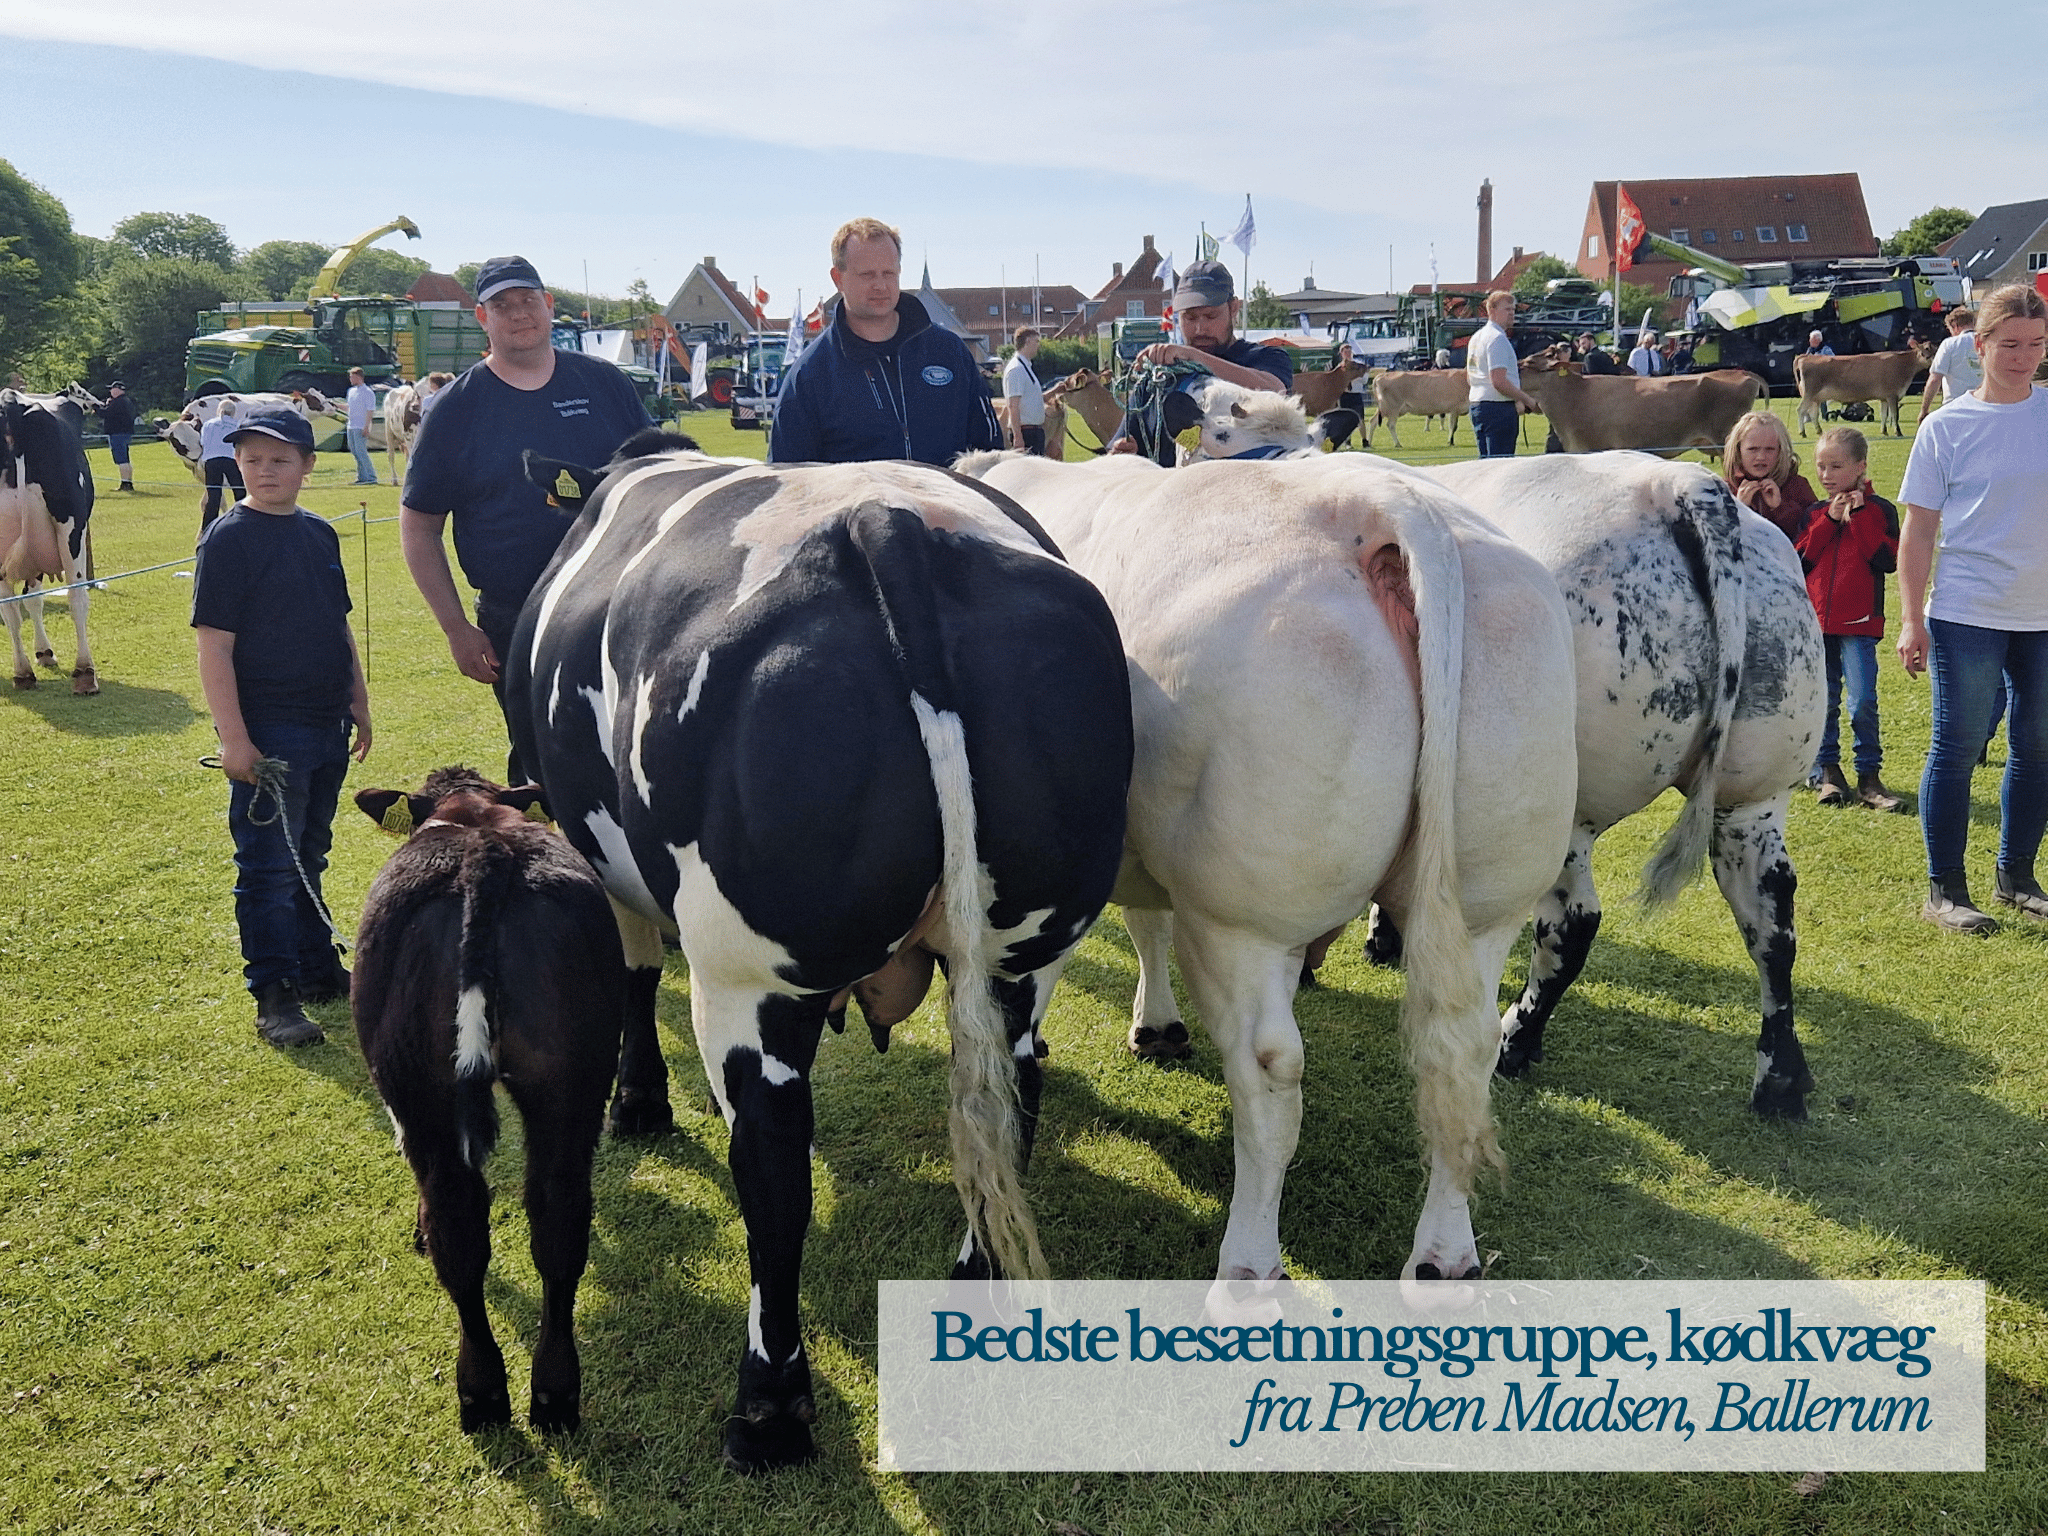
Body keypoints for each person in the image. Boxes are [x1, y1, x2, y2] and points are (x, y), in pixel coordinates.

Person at [401, 255, 650, 779]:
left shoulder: (605, 384)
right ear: (481, 318)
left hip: (621, 604)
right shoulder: (455, 408)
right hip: (520, 617)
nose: (518, 314)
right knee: (545, 762)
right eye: (502, 305)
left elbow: (658, 476)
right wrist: (456, 629)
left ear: (549, 306)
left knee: (634, 752)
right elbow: (420, 525)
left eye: (528, 300)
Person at [191, 410, 372, 1047]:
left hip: (326, 723)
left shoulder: (320, 534)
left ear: (307, 465)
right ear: (236, 463)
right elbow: (214, 646)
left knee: (310, 852)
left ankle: (318, 969)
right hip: (270, 730)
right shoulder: (228, 538)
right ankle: (274, 994)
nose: (265, 471)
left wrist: (359, 700)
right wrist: (234, 739)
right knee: (267, 865)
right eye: (252, 459)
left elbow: (338, 625)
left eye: (280, 460)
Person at [1895, 283, 2048, 934]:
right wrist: (1910, 618)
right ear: (1977, 345)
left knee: (2037, 750)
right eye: (2010, 345)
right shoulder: (1946, 426)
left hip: (2042, 614)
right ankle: (1946, 891)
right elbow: (1918, 531)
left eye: (2037, 345)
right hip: (1966, 612)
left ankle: (2016, 877)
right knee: (1956, 749)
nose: (2023, 358)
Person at [768, 218, 1000, 465]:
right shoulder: (811, 374)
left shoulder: (950, 353)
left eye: (888, 273)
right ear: (838, 278)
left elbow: (989, 454)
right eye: (867, 275)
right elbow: (787, 476)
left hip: (949, 502)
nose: (880, 285)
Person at [1795, 425, 1903, 811]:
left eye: (1836, 466)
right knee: (1823, 700)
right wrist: (1829, 521)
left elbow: (1886, 560)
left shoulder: (1881, 510)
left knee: (1862, 702)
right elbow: (1802, 560)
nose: (1826, 475)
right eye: (1821, 466)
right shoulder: (1813, 513)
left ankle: (1869, 777)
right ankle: (1828, 773)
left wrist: (1857, 518)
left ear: (1860, 467)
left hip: (1859, 624)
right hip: (1817, 626)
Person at [1721, 410, 1818, 541]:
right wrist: (1739, 508)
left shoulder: (1797, 486)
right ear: (1738, 450)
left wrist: (1780, 508)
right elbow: (1717, 540)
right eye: (1752, 449)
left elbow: (1814, 534)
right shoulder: (1724, 490)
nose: (1761, 457)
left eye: (1770, 449)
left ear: (1780, 450)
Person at [1465, 290, 1536, 459]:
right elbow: (1498, 381)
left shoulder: (1476, 337)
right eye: (1507, 309)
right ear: (1492, 310)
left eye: (1513, 309)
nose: (1512, 313)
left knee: (1486, 464)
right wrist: (1527, 400)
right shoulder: (1497, 339)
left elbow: (1470, 376)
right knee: (1500, 464)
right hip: (1497, 408)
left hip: (1478, 404)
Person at [1920, 308, 1982, 418]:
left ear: (1955, 326)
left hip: (1956, 407)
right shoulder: (1987, 342)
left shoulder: (1949, 344)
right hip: (1983, 404)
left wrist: (1924, 410)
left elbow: (1935, 379)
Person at [198, 399, 245, 534]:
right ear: (233, 413)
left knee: (214, 495)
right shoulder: (237, 425)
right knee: (239, 491)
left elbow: (203, 442)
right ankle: (241, 519)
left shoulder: (207, 425)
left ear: (219, 410)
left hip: (211, 460)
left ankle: (207, 528)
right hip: (230, 459)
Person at [1002, 327, 1048, 456]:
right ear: (1027, 341)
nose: (1038, 345)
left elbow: (1032, 399)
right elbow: (1013, 405)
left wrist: (1057, 390)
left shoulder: (1025, 367)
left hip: (1034, 432)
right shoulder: (1016, 370)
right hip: (1026, 433)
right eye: (1036, 341)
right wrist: (1018, 437)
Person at [96, 381, 138, 492]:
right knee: (125, 460)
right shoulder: (126, 401)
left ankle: (125, 484)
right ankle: (128, 482)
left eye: (112, 389)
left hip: (117, 434)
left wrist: (96, 407)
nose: (110, 391)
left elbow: (106, 414)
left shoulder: (118, 402)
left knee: (121, 460)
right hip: (125, 433)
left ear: (118, 390)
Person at [344, 367, 378, 486]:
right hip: (351, 425)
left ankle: (371, 476)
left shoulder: (368, 392)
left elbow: (370, 410)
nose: (350, 379)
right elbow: (349, 407)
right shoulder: (351, 391)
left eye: (352, 377)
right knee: (355, 451)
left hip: (360, 426)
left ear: (359, 377)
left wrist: (366, 426)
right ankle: (362, 476)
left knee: (361, 451)